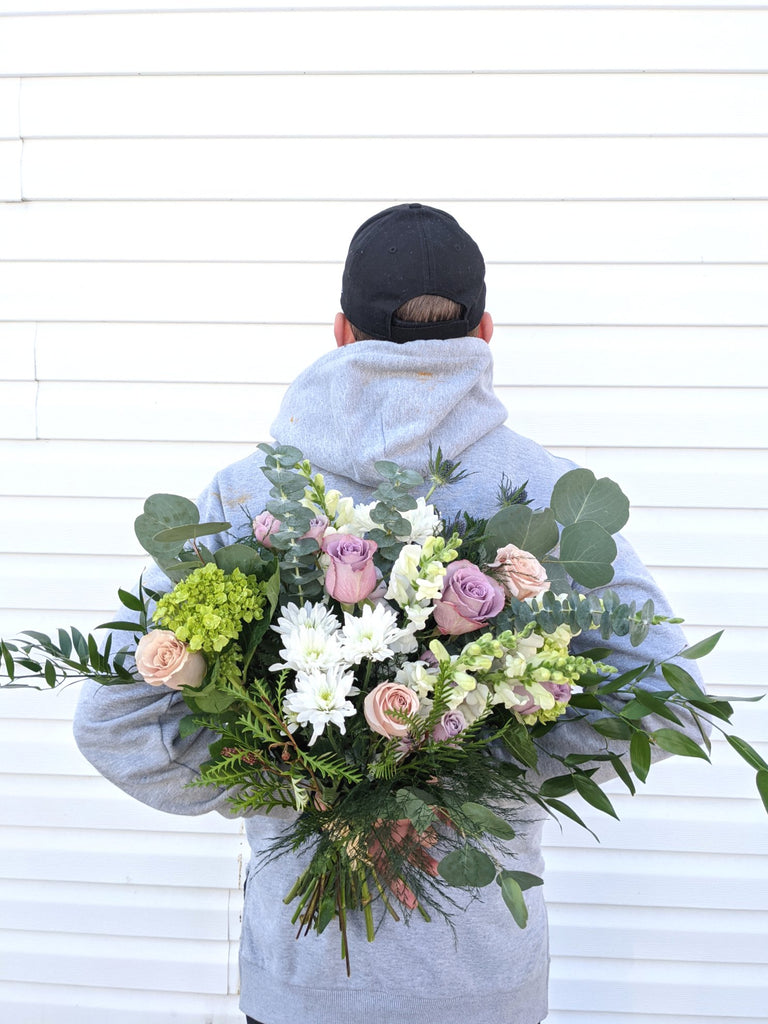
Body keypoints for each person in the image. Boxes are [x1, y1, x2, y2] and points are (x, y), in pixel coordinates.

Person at [74, 203, 703, 1024]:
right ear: (485, 333)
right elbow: (669, 699)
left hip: (303, 979)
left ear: (341, 331)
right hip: (480, 978)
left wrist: (303, 786)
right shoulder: (546, 500)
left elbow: (113, 717)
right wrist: (460, 784)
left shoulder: (249, 495)